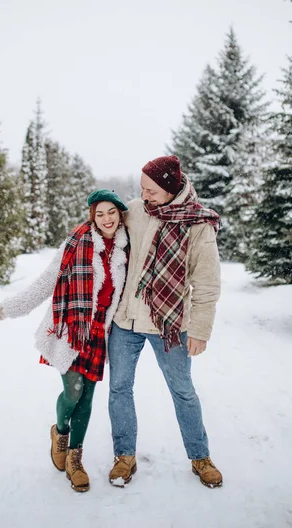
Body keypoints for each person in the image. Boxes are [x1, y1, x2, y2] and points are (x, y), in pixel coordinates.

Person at [0, 189, 129, 493]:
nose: (106, 218)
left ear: (120, 215)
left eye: (112, 212)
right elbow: (46, 280)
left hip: (98, 332)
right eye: (100, 213)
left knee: (88, 397)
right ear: (93, 215)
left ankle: (75, 459)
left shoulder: (124, 249)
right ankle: (60, 432)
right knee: (73, 391)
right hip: (70, 329)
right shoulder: (76, 242)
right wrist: (9, 308)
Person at [107, 155, 223, 489]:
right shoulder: (135, 210)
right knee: (119, 388)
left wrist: (200, 331)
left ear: (171, 189)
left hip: (169, 324)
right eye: (142, 189)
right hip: (125, 320)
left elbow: (207, 283)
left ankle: (200, 456)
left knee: (183, 391)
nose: (144, 196)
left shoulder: (197, 225)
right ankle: (124, 456)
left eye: (152, 191)